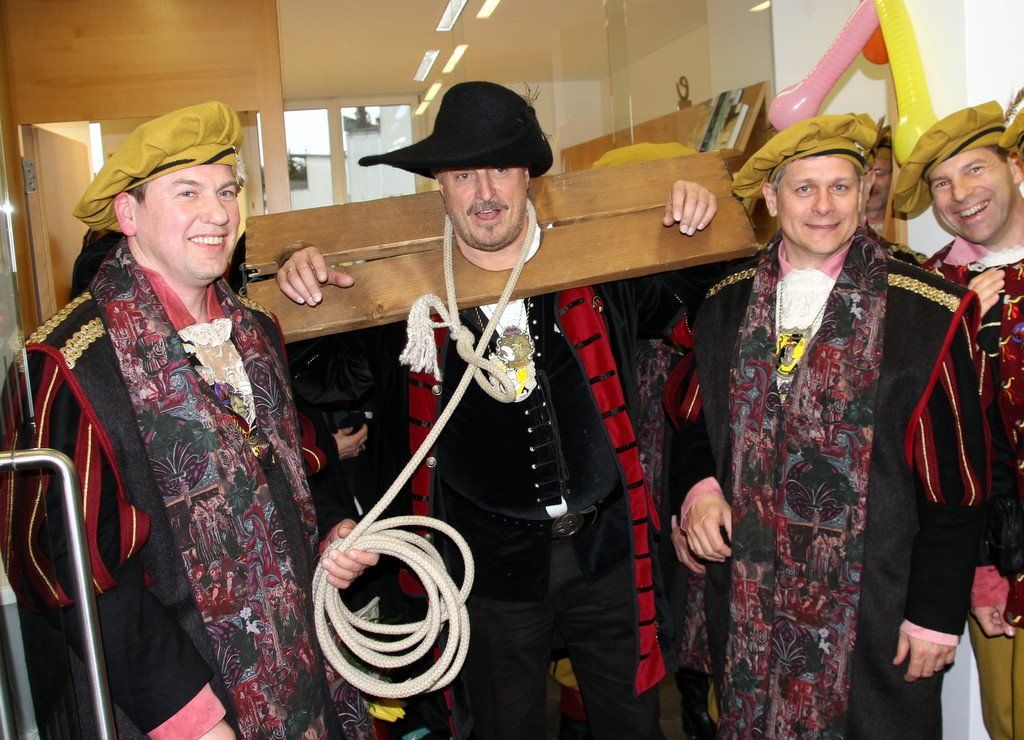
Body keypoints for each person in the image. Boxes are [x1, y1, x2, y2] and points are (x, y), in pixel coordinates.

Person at [275, 80, 722, 739]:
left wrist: (697, 216)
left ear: (529, 178)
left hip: (606, 555)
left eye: (502, 170)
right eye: (463, 175)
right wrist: (297, 280)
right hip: (488, 570)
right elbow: (313, 382)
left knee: (633, 728)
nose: (485, 192)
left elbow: (709, 304)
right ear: (439, 187)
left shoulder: (605, 278)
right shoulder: (400, 307)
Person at [0, 102, 371, 738]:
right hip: (177, 702)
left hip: (304, 673)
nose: (219, 213)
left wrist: (334, 530)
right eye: (187, 192)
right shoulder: (65, 364)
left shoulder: (255, 332)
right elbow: (72, 574)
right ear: (128, 214)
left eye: (226, 191)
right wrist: (191, 718)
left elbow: (296, 464)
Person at [665, 114, 991, 737]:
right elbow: (693, 422)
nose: (823, 206)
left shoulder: (926, 313)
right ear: (771, 197)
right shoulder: (726, 303)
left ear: (864, 192)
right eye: (804, 188)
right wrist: (699, 491)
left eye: (840, 187)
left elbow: (956, 485)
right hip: (751, 610)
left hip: (876, 612)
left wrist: (934, 615)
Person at [893, 99, 1024, 740]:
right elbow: (940, 452)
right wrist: (982, 569)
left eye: (975, 169)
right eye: (941, 183)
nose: (960, 195)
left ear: (1015, 167)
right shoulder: (929, 291)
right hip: (1002, 549)